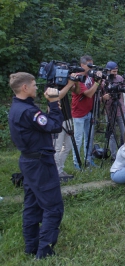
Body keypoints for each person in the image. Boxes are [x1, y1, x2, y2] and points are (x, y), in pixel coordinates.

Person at [8, 72, 64, 259]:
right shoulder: (28, 112)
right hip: (40, 163)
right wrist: (54, 103)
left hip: (29, 161)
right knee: (53, 206)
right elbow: (55, 126)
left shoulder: (18, 107)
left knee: (32, 205)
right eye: (33, 85)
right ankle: (44, 251)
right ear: (24, 87)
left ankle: (31, 246)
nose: (36, 87)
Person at [71, 55, 103, 169]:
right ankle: (76, 162)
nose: (90, 68)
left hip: (90, 111)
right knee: (78, 139)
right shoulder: (77, 78)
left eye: (91, 65)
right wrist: (97, 83)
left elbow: (98, 89)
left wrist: (99, 78)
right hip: (79, 112)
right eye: (88, 65)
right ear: (82, 65)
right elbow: (89, 94)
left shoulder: (91, 77)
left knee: (89, 138)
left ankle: (88, 160)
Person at [101, 61, 125, 160]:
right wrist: (103, 97)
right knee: (112, 134)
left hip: (120, 109)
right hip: (110, 110)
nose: (115, 73)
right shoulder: (103, 81)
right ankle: (114, 156)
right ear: (108, 70)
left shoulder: (120, 78)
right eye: (113, 71)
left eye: (116, 71)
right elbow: (98, 98)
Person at [53, 78, 80, 177]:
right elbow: (57, 96)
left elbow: (77, 91)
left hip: (68, 117)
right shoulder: (51, 85)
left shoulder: (64, 83)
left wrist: (76, 83)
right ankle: (56, 172)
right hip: (58, 119)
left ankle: (60, 169)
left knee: (68, 146)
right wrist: (69, 84)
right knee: (57, 147)